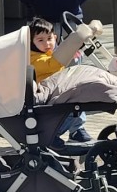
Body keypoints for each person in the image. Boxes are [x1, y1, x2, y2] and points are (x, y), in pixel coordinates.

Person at [28, 17, 91, 146]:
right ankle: (53, 134)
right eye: (40, 40)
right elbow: (53, 64)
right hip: (45, 96)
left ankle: (77, 130)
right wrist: (67, 51)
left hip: (55, 91)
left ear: (55, 38)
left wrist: (70, 53)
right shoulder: (33, 59)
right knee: (71, 105)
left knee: (78, 94)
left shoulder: (50, 53)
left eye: (49, 39)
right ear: (31, 42)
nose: (47, 44)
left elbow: (57, 61)